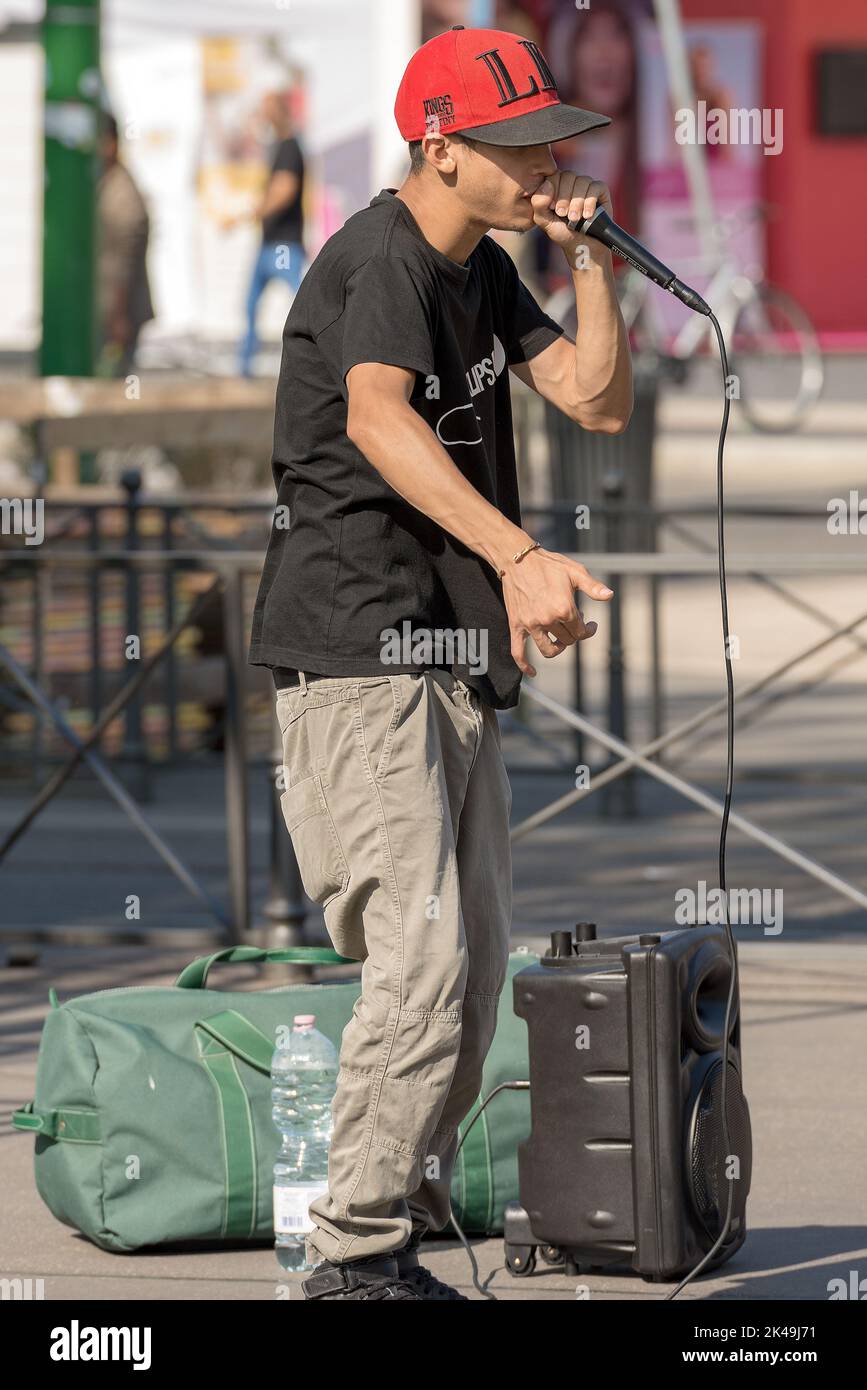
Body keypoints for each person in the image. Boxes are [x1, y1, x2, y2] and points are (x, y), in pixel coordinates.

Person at [248, 23, 633, 1301]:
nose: (543, 166)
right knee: (419, 970)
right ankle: (349, 1256)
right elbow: (374, 415)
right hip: (357, 654)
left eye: (550, 144)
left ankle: (392, 1220)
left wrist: (589, 264)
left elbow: (594, 397)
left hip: (448, 659)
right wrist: (523, 556)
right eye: (517, 147)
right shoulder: (384, 260)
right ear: (439, 146)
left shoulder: (483, 266)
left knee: (470, 983)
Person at [235, 93, 306, 376]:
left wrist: (256, 211)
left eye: (266, 111)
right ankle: (244, 369)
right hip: (272, 242)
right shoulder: (279, 146)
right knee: (251, 304)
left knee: (303, 303)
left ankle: (318, 359)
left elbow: (285, 190)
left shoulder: (290, 148)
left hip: (283, 245)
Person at [96, 113, 154, 378]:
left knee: (112, 386)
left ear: (110, 144)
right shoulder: (103, 184)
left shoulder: (122, 195)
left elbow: (124, 262)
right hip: (107, 309)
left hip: (119, 314)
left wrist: (119, 316)